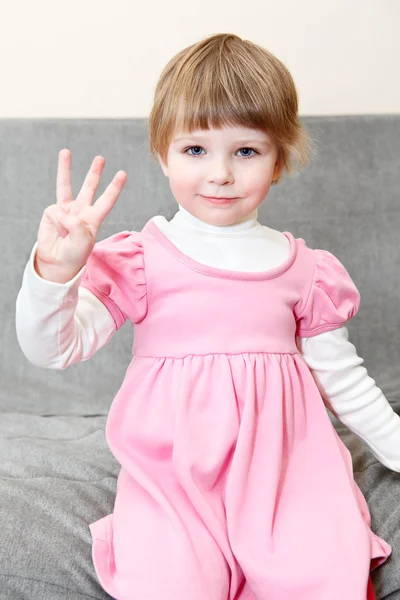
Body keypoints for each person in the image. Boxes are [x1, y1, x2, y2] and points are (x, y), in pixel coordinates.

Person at [15, 33, 395, 600]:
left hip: (284, 476)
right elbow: (52, 349)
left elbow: (346, 380)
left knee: (318, 575)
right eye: (195, 150)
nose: (219, 174)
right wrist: (54, 271)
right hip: (172, 482)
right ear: (162, 154)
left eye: (246, 151)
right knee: (172, 584)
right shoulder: (141, 258)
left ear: (279, 157)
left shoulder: (307, 270)